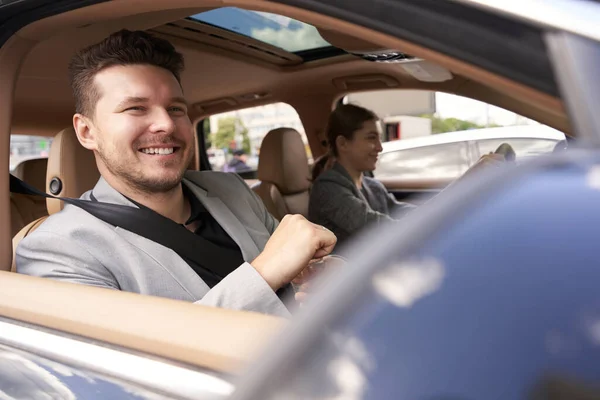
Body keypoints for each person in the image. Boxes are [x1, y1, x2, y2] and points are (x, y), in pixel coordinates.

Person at [15, 30, 336, 318]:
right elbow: (126, 369)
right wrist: (265, 273)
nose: (166, 124)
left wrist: (326, 279)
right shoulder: (56, 248)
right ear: (87, 132)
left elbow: (296, 278)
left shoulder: (231, 189)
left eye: (176, 109)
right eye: (136, 108)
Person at [308, 104, 415, 247]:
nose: (380, 147)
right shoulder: (327, 189)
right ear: (343, 143)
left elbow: (398, 209)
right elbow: (373, 226)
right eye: (371, 138)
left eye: (380, 138)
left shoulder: (373, 186)